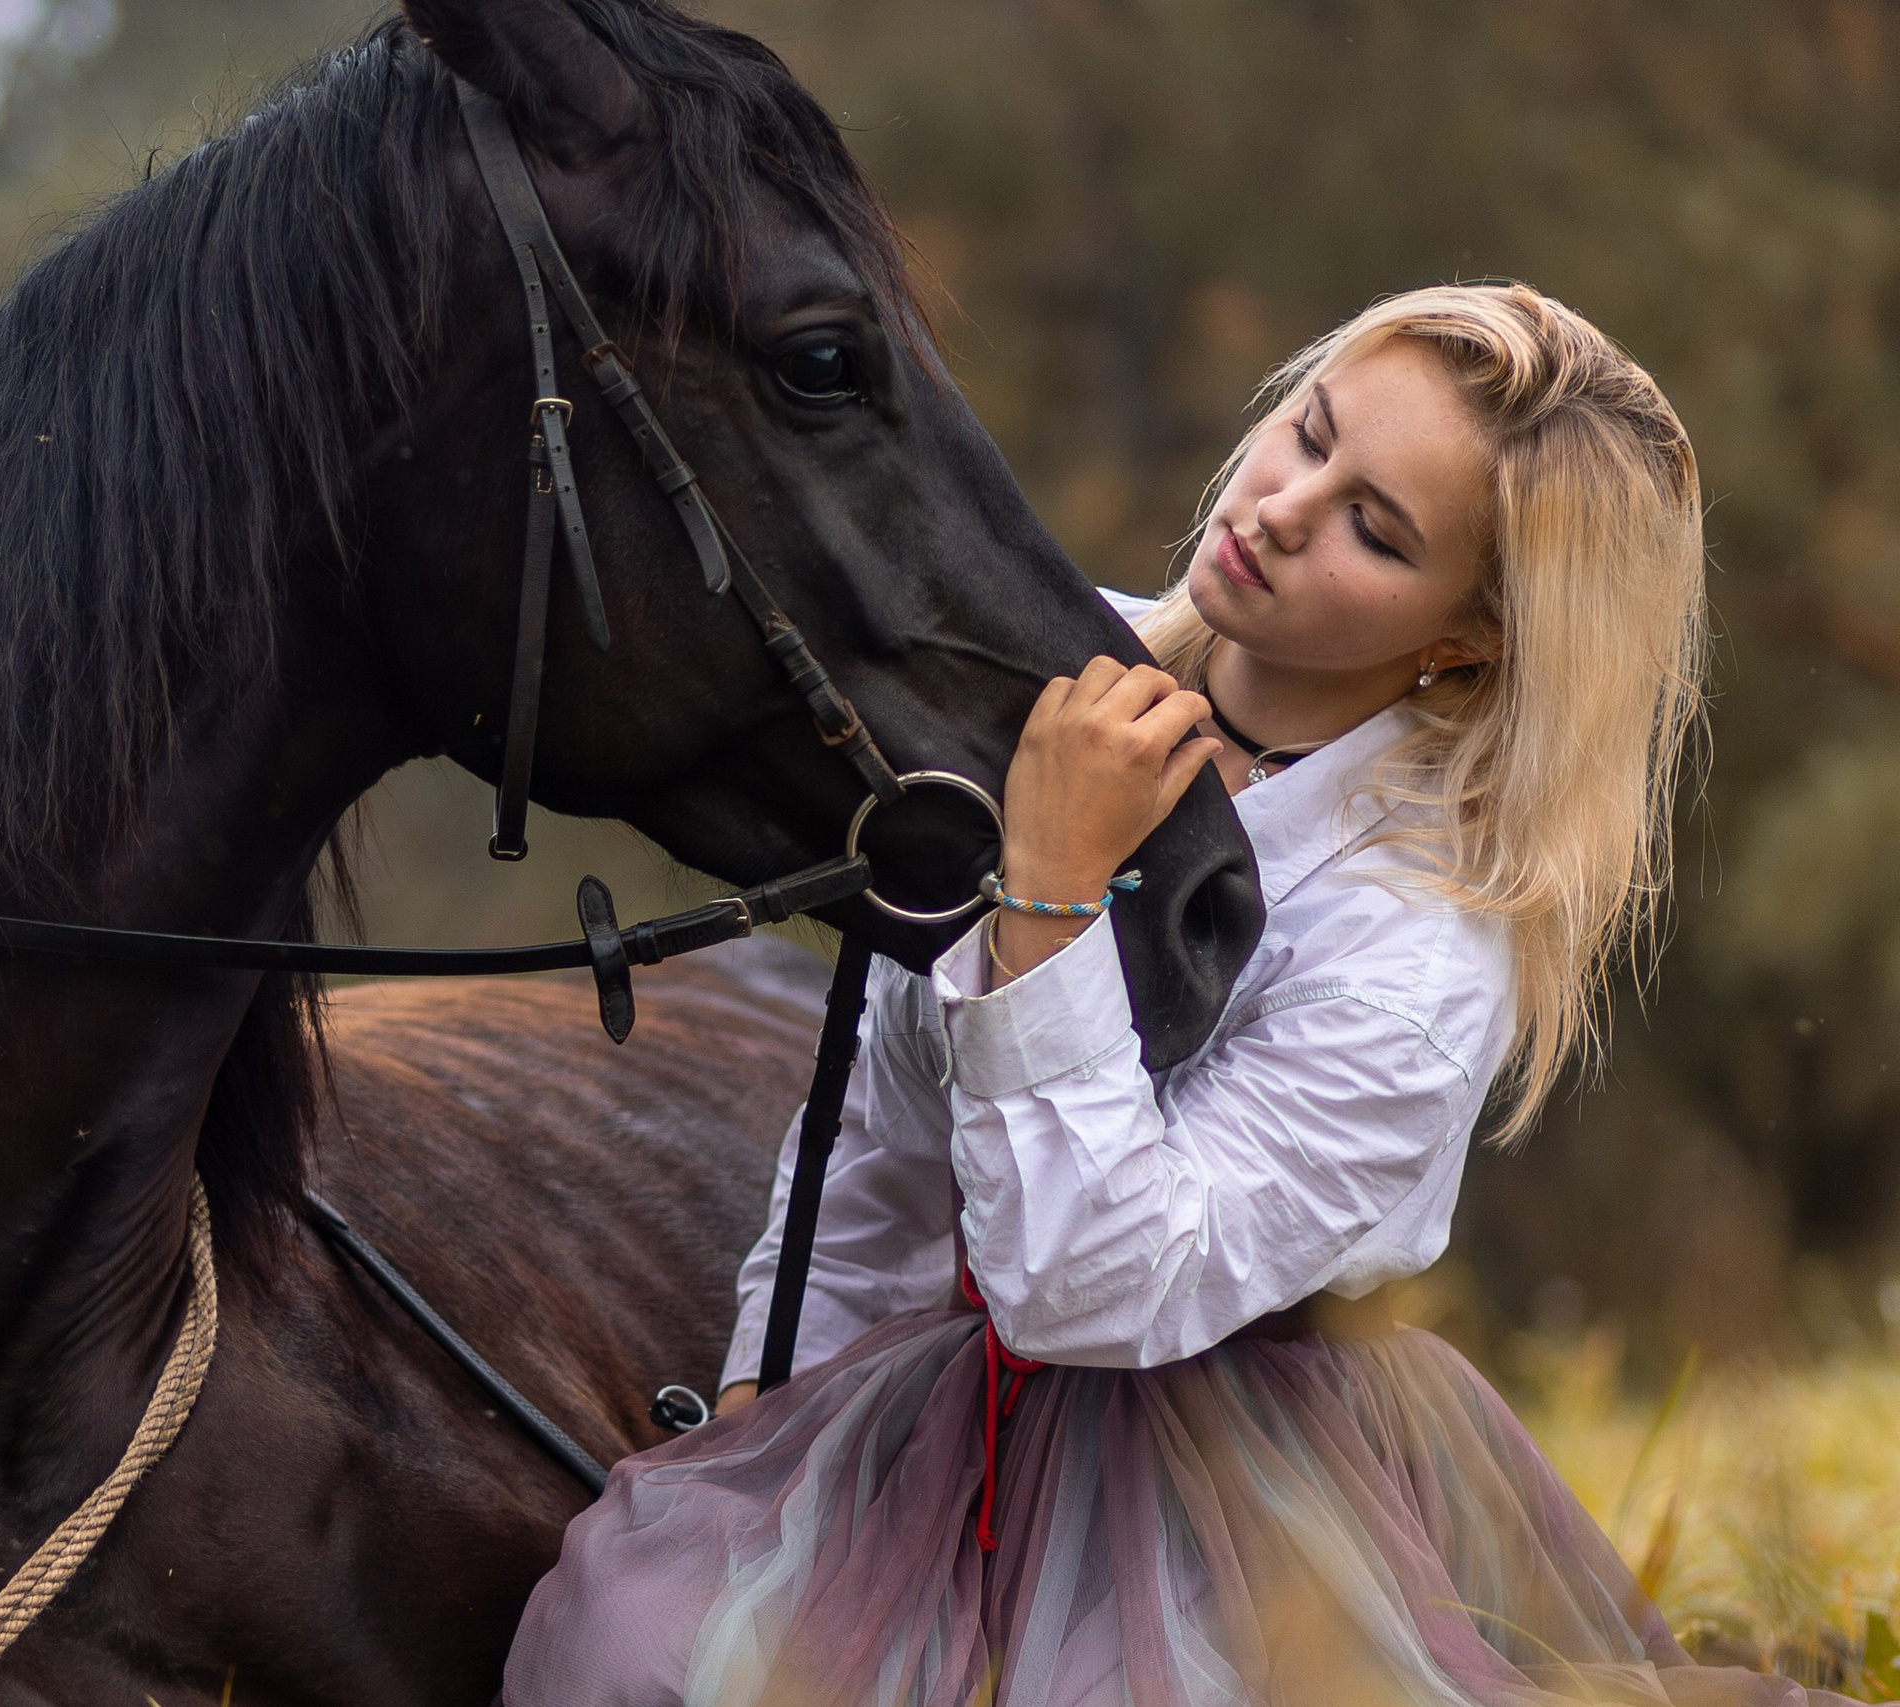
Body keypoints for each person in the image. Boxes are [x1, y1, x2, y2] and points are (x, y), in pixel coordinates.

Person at [502, 284, 1851, 1705]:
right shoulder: (1050, 676)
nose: (1280, 507)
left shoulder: (1418, 945)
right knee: (638, 1649)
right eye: (1307, 433)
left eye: (1374, 530)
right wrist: (776, 1377)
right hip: (930, 1407)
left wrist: (1054, 901)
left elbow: (1092, 1284)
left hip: (1227, 1477)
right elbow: (884, 1120)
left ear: (1467, 642)